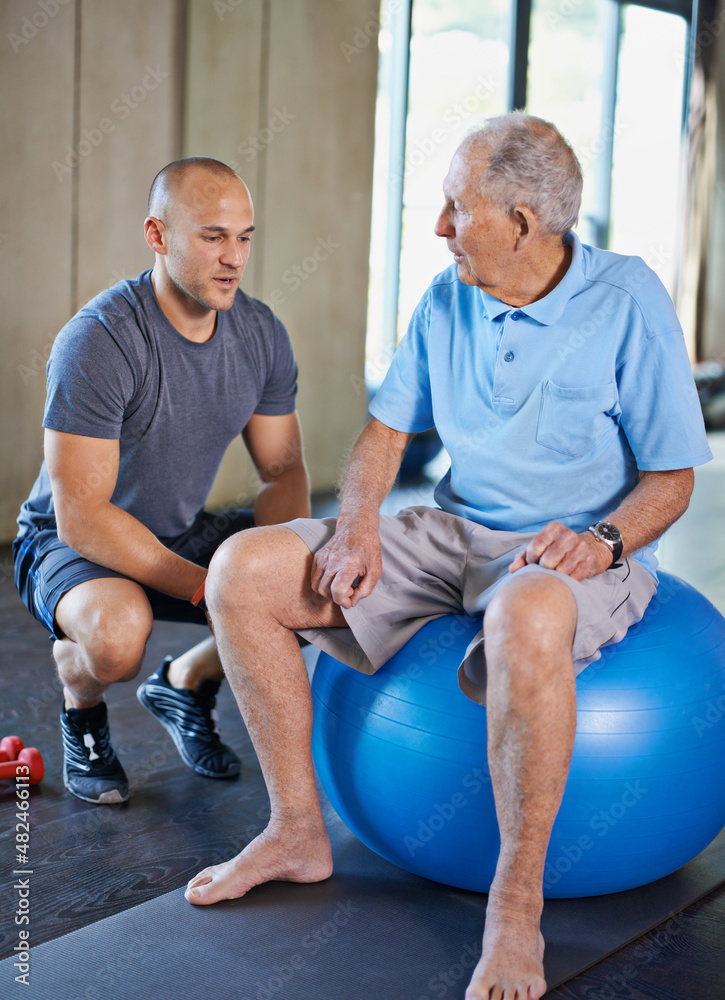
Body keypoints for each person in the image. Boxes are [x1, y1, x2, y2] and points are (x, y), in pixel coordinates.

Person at [180, 115, 712, 1000]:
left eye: (454, 209)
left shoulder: (628, 300)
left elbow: (671, 479)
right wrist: (354, 526)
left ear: (520, 220)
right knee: (243, 568)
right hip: (455, 531)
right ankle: (297, 831)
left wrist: (601, 539)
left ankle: (514, 906)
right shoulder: (446, 297)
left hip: (575, 547)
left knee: (524, 610)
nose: (437, 228)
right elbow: (386, 433)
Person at [13, 157, 309, 806]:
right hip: (70, 542)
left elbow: (282, 472)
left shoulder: (259, 333)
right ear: (157, 235)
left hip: (177, 529)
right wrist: (216, 589)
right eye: (212, 237)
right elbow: (82, 516)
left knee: (315, 576)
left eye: (244, 237)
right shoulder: (100, 340)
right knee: (117, 640)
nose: (233, 257)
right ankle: (80, 700)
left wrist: (284, 567)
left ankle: (184, 681)